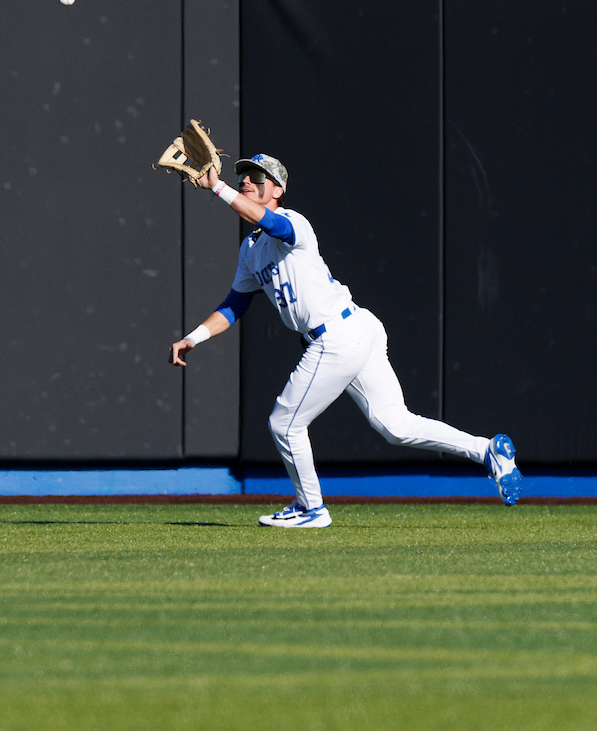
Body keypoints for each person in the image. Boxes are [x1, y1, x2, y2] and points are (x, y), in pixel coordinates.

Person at [168, 154, 522, 528]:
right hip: (352, 330)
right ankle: (488, 451)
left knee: (285, 424)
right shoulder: (250, 250)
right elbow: (235, 305)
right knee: (396, 426)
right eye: (243, 176)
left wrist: (217, 187)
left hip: (336, 335)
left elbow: (267, 221)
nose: (246, 181)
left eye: (257, 177)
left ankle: (311, 509)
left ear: (278, 190)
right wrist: (194, 337)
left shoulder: (292, 222)